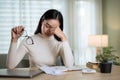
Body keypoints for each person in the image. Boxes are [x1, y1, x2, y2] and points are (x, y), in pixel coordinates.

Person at [7, 9, 74, 69]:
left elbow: (70, 65)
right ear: (42, 21)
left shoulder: (59, 42)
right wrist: (14, 40)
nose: (50, 30)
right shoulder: (29, 41)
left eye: (54, 28)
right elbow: (10, 66)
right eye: (47, 26)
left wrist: (64, 38)